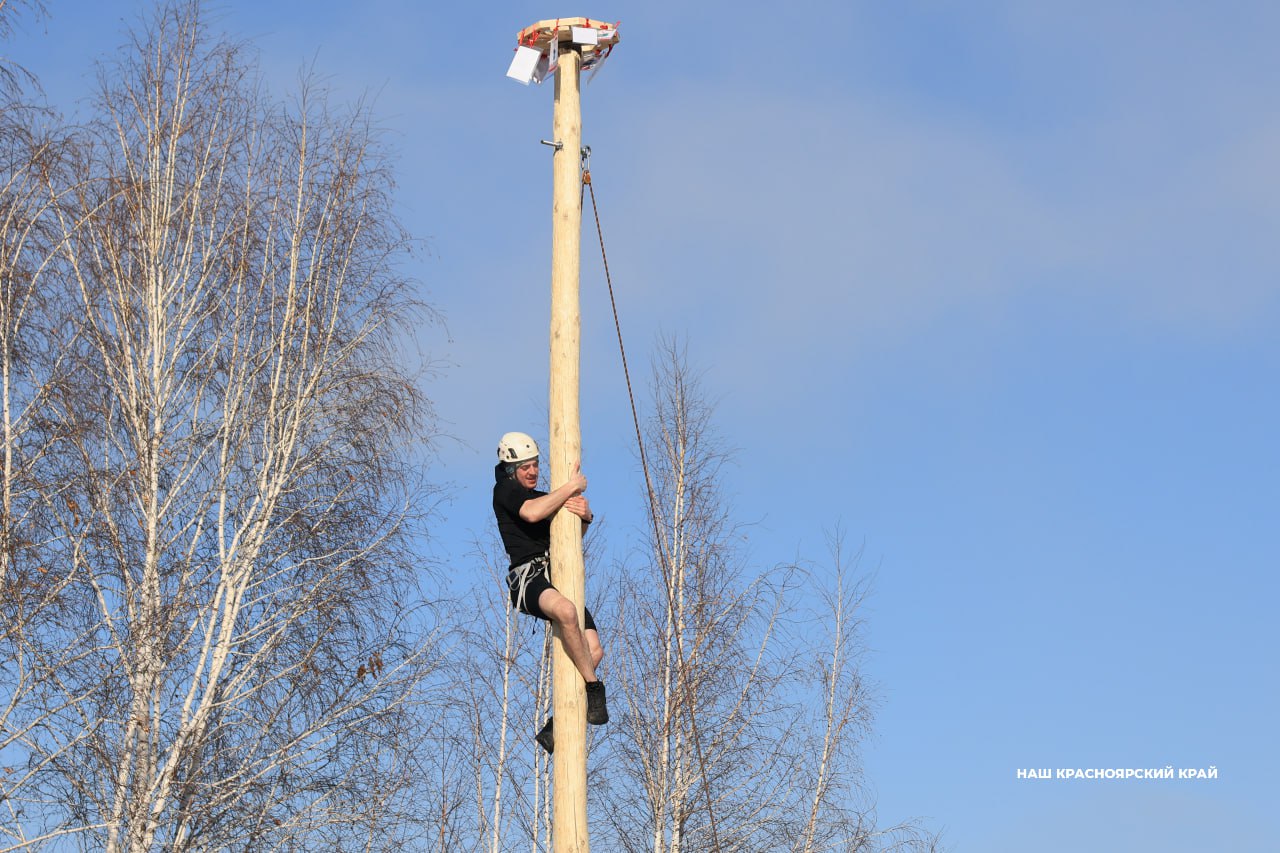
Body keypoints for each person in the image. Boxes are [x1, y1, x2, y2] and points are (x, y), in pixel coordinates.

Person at [492, 431, 608, 753]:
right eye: (525, 467)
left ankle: (557, 723)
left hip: (556, 575)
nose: (532, 472)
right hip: (527, 578)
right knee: (566, 612)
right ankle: (594, 687)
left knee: (594, 649)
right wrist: (571, 487)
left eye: (535, 465)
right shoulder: (505, 491)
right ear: (511, 470)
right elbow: (531, 513)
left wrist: (585, 515)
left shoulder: (545, 497)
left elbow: (572, 534)